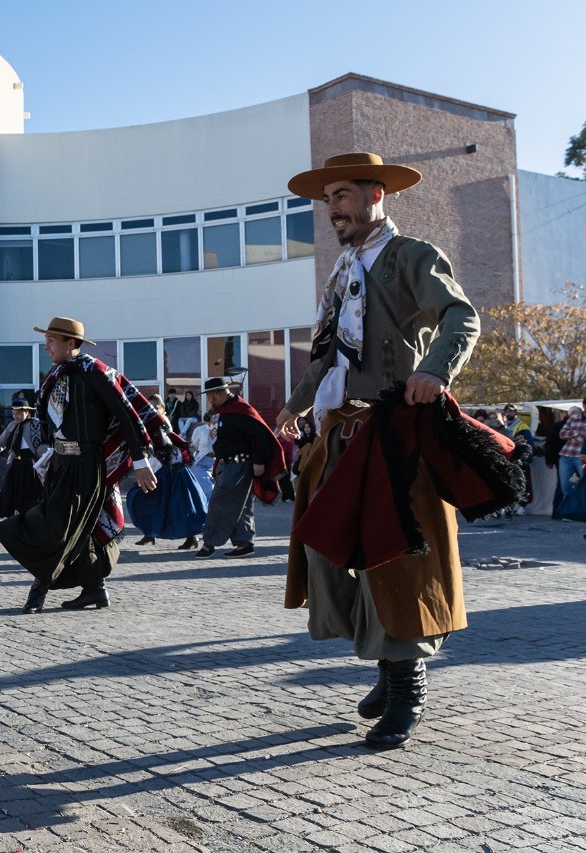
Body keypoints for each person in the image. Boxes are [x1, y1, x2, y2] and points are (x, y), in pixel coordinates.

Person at [276, 152, 483, 749]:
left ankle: (405, 684)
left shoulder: (410, 256)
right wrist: (294, 405)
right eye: (327, 199)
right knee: (326, 548)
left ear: (376, 194)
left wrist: (435, 371)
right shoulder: (342, 271)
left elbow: (461, 318)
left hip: (396, 430)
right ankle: (387, 662)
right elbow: (327, 355)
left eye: (341, 194)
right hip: (341, 433)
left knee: (395, 560)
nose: (332, 209)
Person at [0, 316, 160, 613]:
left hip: (85, 465)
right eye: (46, 340)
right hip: (60, 463)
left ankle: (38, 591)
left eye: (51, 340)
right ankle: (95, 589)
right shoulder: (56, 375)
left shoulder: (94, 372)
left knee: (56, 526)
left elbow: (127, 416)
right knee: (80, 528)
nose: (46, 346)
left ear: (70, 343)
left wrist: (140, 461)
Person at [196, 377, 284, 559]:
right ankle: (244, 544)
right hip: (226, 464)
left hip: (238, 465)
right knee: (242, 505)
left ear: (217, 393)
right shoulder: (222, 411)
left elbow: (261, 434)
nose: (209, 399)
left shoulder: (239, 410)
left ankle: (208, 544)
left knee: (218, 503)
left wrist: (259, 461)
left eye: (210, 395)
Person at [125, 394, 206, 549]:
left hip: (172, 471)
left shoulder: (162, 423)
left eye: (155, 407)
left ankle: (191, 537)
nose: (152, 410)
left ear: (162, 408)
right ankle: (150, 534)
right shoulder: (149, 423)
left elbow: (167, 448)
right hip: (160, 469)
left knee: (182, 505)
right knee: (148, 500)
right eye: (149, 407)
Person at [0, 399, 48, 517]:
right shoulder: (12, 425)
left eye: (18, 413)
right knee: (9, 494)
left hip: (31, 465)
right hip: (16, 464)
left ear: (26, 412)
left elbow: (47, 443)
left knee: (32, 496)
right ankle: (14, 519)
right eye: (14, 413)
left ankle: (31, 519)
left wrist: (42, 453)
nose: (15, 416)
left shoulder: (36, 424)